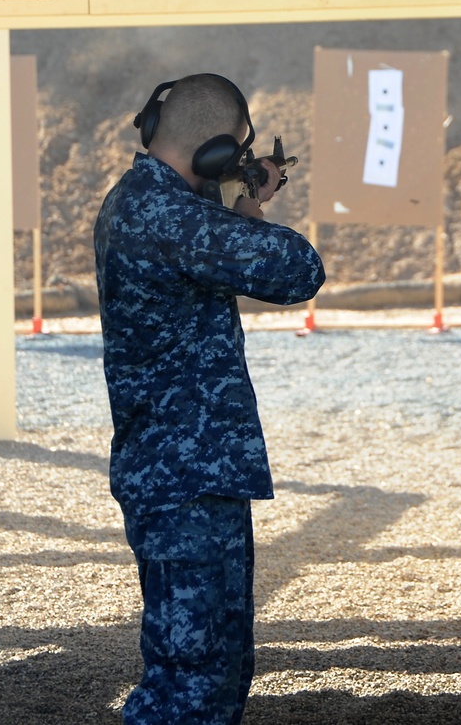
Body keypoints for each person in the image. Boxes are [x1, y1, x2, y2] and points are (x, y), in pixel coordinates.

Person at [94, 73, 325, 724]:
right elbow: (298, 268)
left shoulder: (144, 203)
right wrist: (252, 206)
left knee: (218, 668)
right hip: (183, 479)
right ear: (218, 155)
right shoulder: (167, 213)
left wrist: (231, 202)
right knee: (186, 682)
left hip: (191, 473)